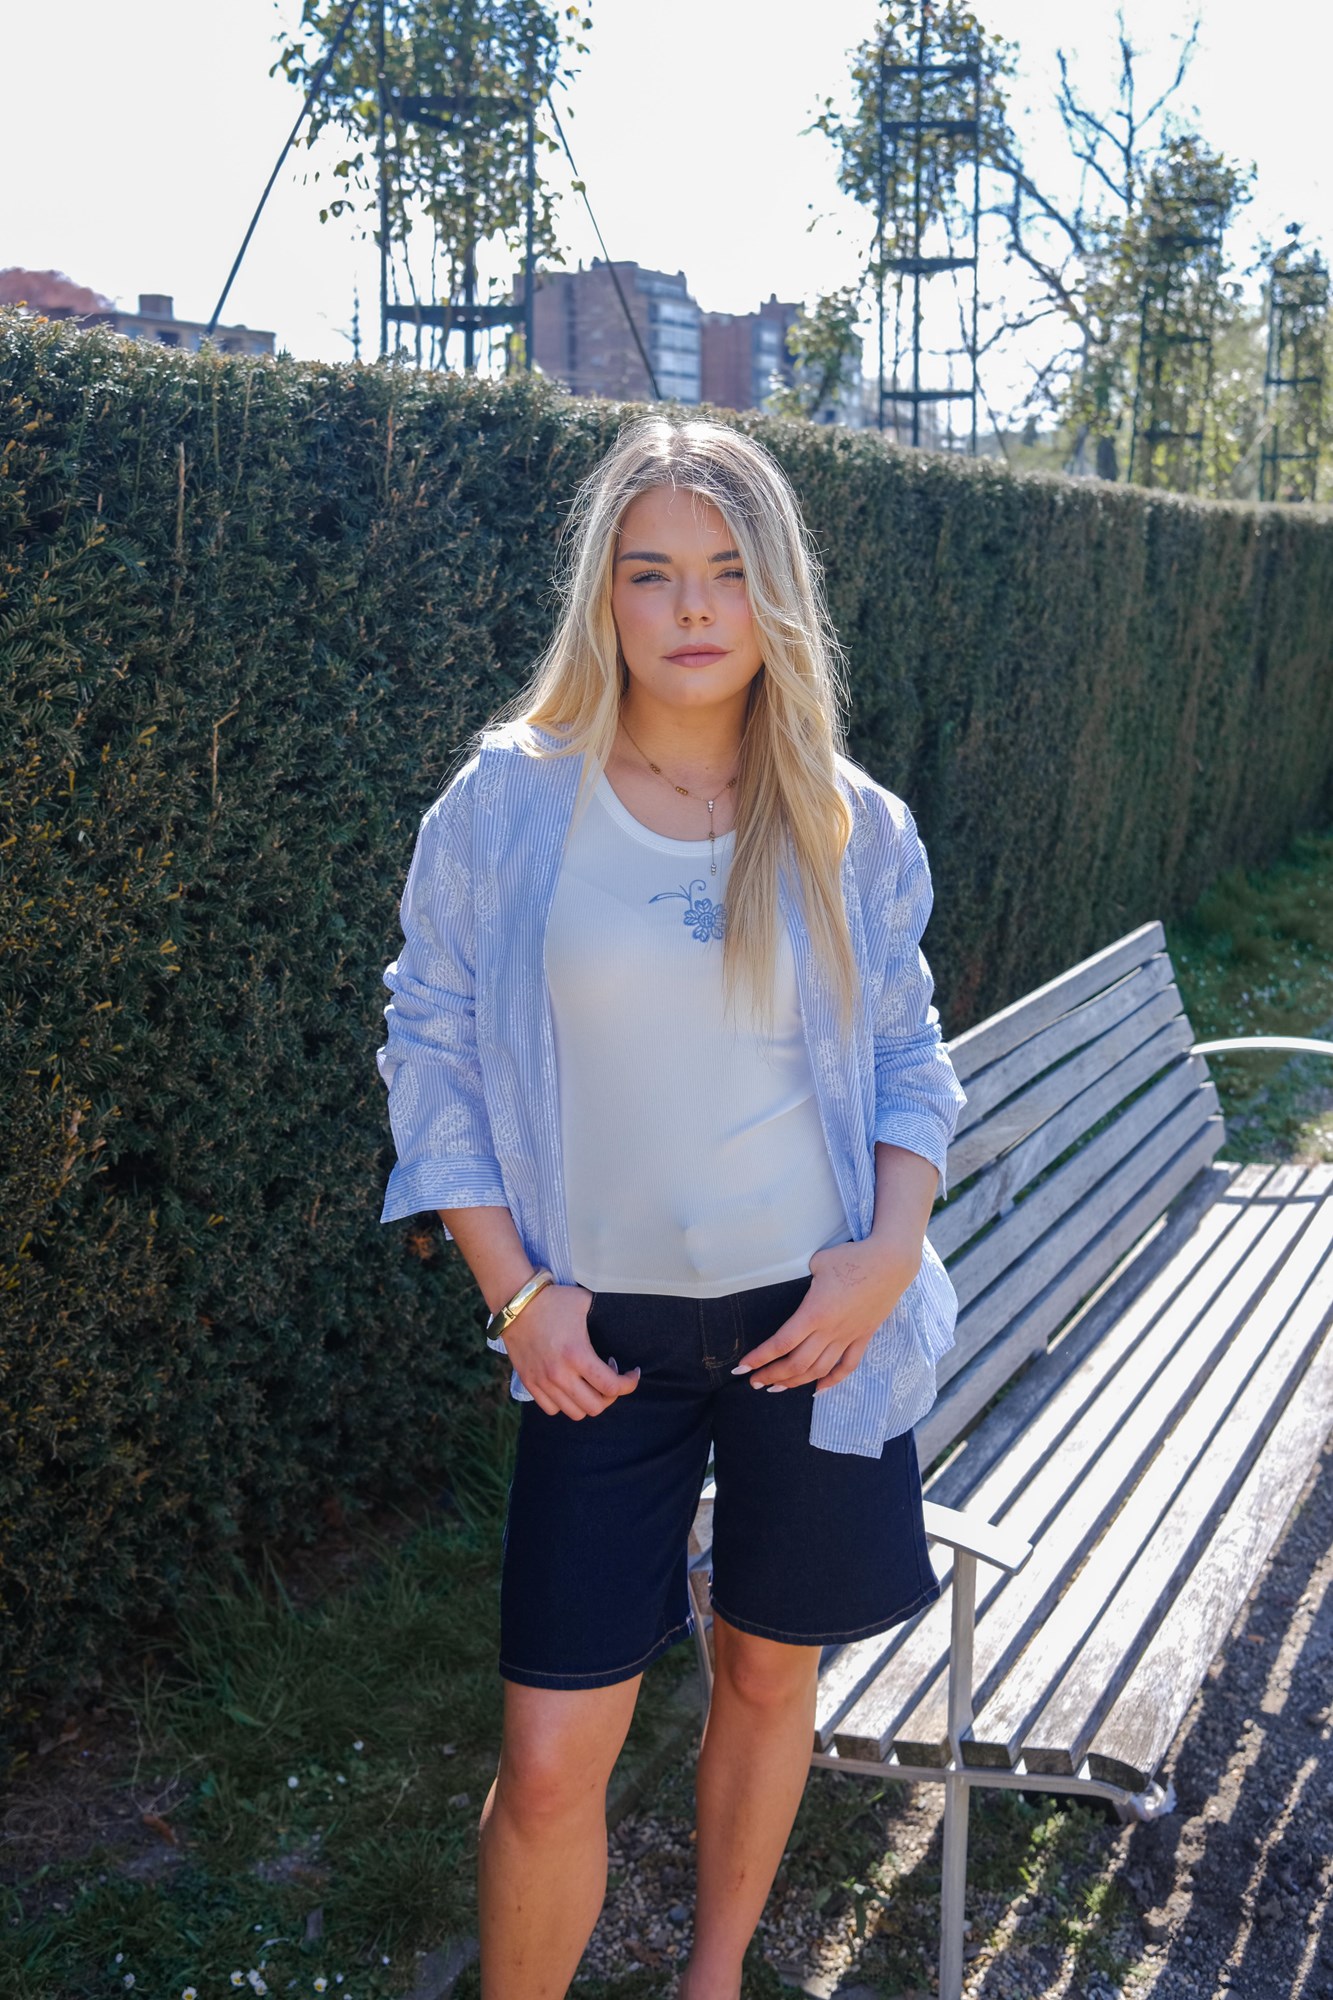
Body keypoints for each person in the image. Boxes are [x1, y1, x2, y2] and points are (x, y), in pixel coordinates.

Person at [375, 414, 967, 2000]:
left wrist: (886, 1254)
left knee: (767, 1682)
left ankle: (713, 1981)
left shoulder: (848, 821)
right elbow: (429, 1043)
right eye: (650, 572)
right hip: (596, 1345)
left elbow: (906, 1054)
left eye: (724, 568)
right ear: (605, 595)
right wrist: (514, 1294)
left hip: (811, 1331)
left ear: (776, 592)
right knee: (548, 1755)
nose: (691, 605)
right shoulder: (510, 803)